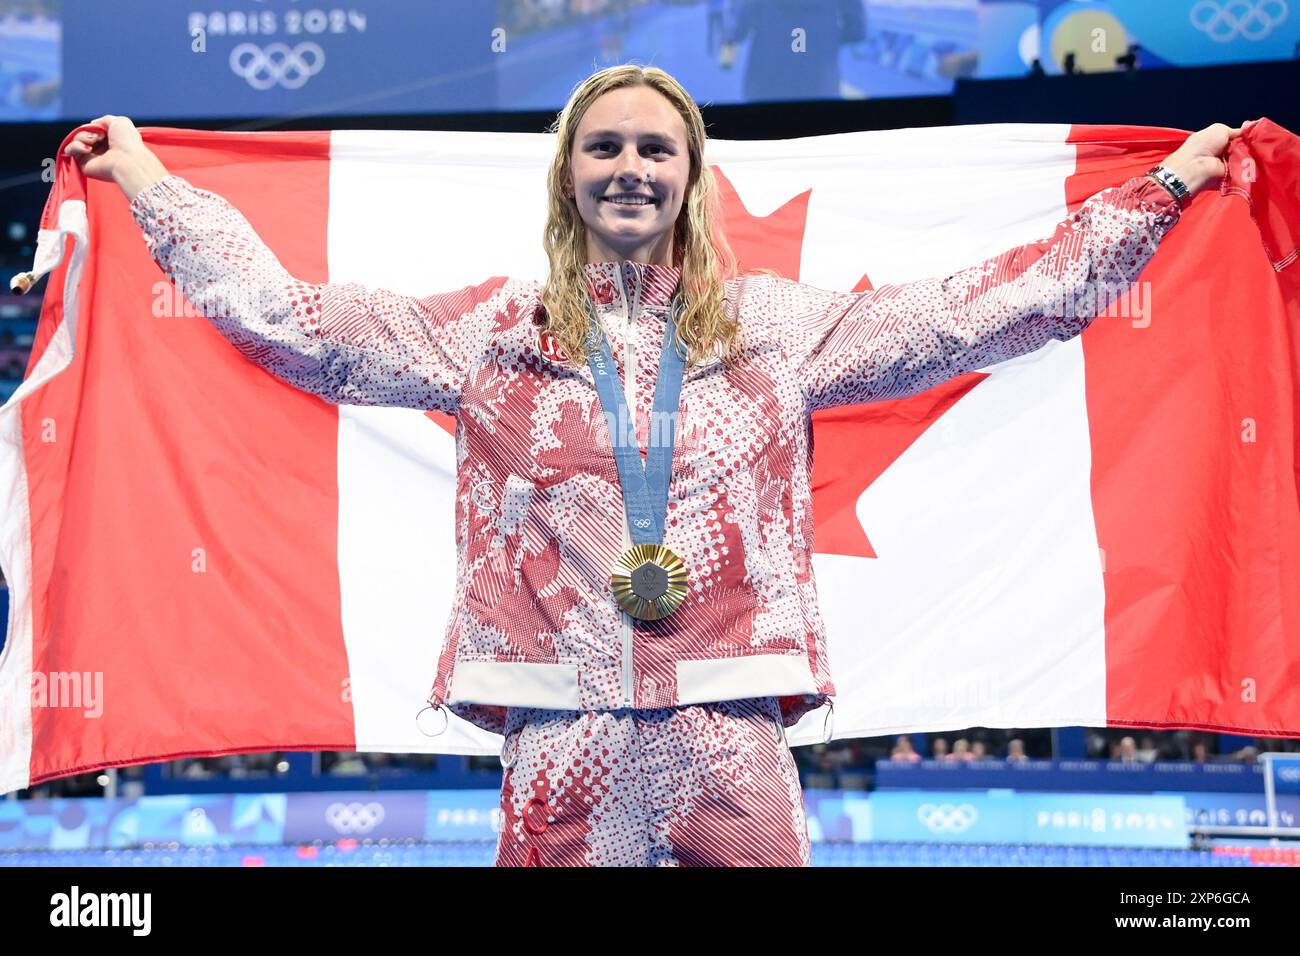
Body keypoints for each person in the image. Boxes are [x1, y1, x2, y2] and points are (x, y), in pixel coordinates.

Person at [64, 64, 1241, 867]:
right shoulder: (490, 334)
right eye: (605, 145)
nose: (630, 165)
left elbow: (988, 311)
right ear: (567, 173)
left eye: (656, 147)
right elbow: (292, 324)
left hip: (727, 719)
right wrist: (154, 188)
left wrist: (1165, 188)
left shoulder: (777, 330)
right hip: (557, 728)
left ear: (691, 174)